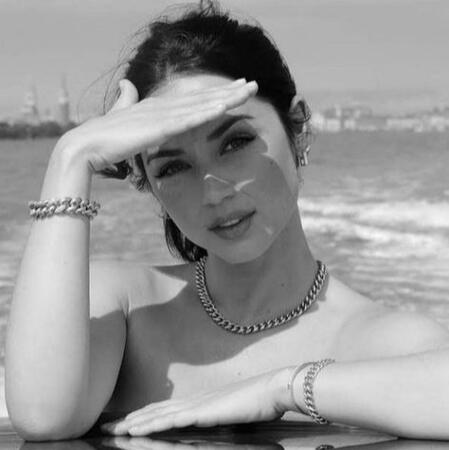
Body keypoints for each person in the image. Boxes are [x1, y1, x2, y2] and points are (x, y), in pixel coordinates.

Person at [5, 0, 449, 442]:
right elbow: (43, 416)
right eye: (172, 167)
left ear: (298, 129)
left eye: (235, 142)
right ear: (149, 184)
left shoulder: (382, 339)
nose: (213, 192)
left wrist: (282, 388)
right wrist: (72, 156)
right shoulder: (122, 308)